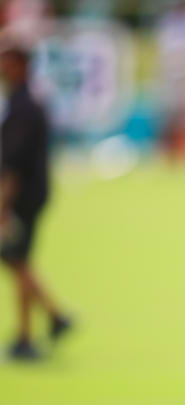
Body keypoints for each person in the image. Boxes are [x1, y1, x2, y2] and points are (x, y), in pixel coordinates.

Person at [0, 45, 71, 360]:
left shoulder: (23, 105)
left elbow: (12, 163)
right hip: (31, 193)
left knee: (17, 259)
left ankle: (40, 327)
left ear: (20, 65)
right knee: (19, 260)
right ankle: (46, 322)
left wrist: (2, 204)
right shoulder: (26, 102)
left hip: (22, 196)